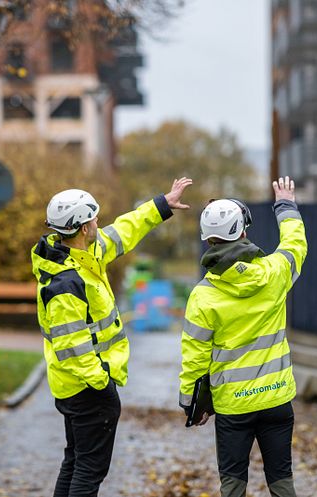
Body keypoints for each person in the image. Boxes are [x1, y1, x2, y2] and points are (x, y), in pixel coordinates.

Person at [32, 177, 192, 497]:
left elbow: (124, 230)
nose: (97, 222)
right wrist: (102, 384)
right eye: (93, 218)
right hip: (87, 389)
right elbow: (72, 347)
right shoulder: (66, 283)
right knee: (89, 470)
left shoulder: (84, 254)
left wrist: (161, 205)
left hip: (76, 386)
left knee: (75, 461)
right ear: (81, 228)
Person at [178, 176, 308, 497]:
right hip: (277, 399)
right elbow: (295, 245)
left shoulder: (203, 296)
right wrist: (286, 205)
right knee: (282, 480)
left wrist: (191, 402)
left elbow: (194, 356)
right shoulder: (275, 274)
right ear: (243, 232)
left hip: (233, 408)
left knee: (233, 485)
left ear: (209, 241)